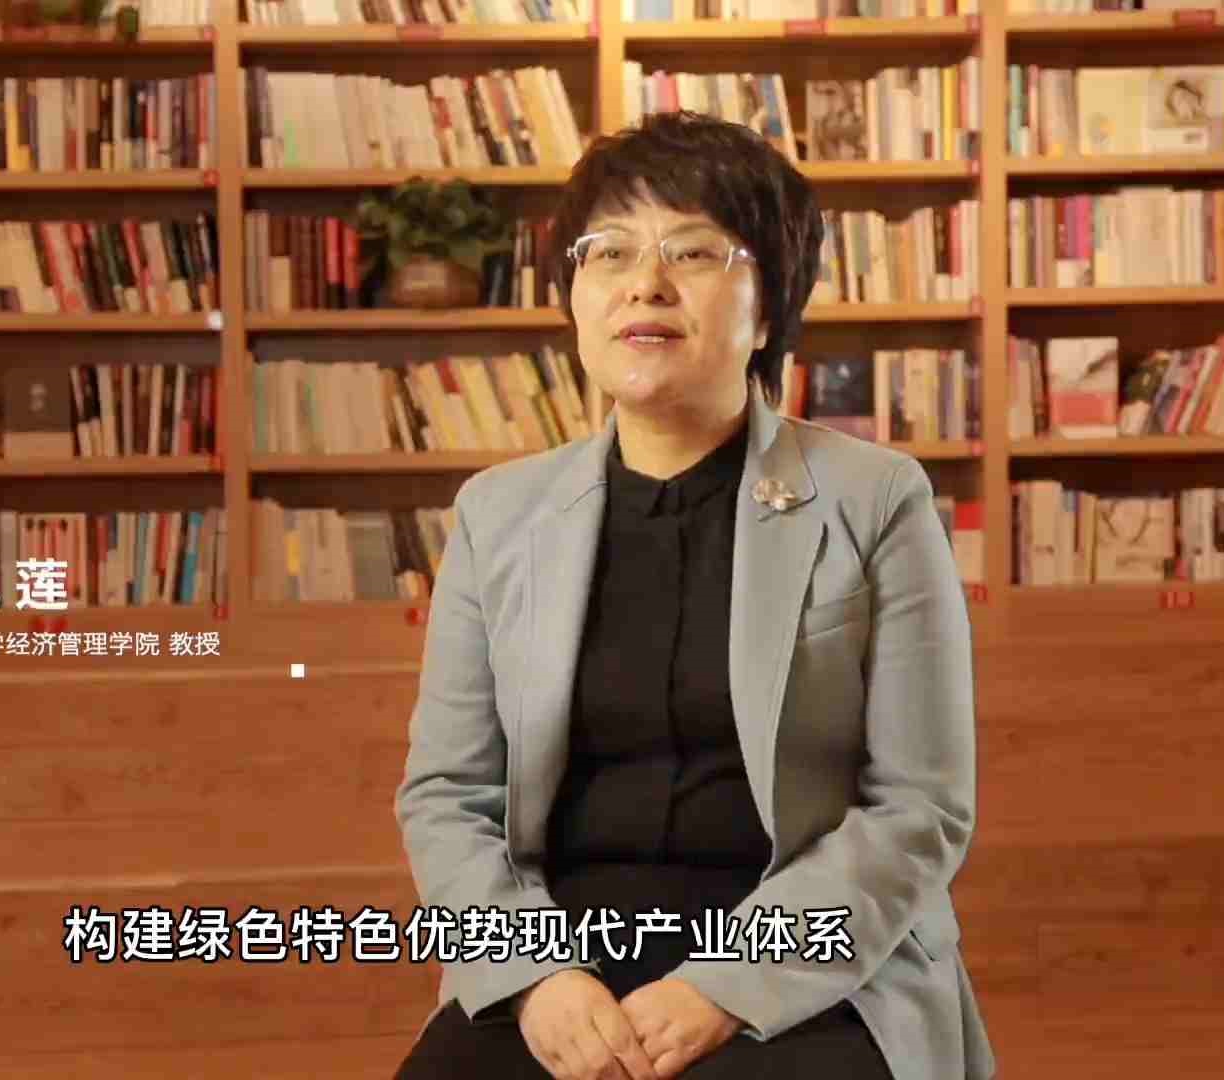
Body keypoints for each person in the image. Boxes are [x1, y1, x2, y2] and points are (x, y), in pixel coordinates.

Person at [391, 110, 994, 1080]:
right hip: (564, 959)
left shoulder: (875, 498)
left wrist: (727, 985)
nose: (646, 282)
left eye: (694, 250)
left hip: (808, 957)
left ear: (771, 306)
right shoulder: (498, 515)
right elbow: (448, 796)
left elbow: (916, 806)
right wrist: (536, 977)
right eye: (609, 252)